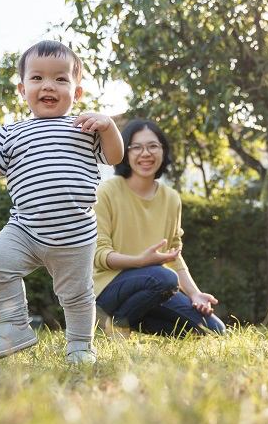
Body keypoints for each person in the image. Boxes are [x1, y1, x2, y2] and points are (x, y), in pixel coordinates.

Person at [0, 40, 124, 363]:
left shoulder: (85, 128)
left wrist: (108, 126)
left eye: (60, 79)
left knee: (77, 295)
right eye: (37, 78)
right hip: (25, 228)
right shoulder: (10, 133)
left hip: (75, 233)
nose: (48, 85)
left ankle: (80, 345)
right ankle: (13, 326)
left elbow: (115, 155)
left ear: (76, 92)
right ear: (23, 90)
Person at [93, 120, 226, 336]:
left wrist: (195, 294)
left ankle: (130, 319)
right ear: (125, 153)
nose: (145, 153)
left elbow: (174, 255)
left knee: (213, 330)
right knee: (164, 278)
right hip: (107, 288)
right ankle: (117, 323)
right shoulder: (106, 192)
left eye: (153, 146)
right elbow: (98, 255)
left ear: (163, 151)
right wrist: (139, 262)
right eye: (136, 147)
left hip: (154, 289)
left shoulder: (171, 198)